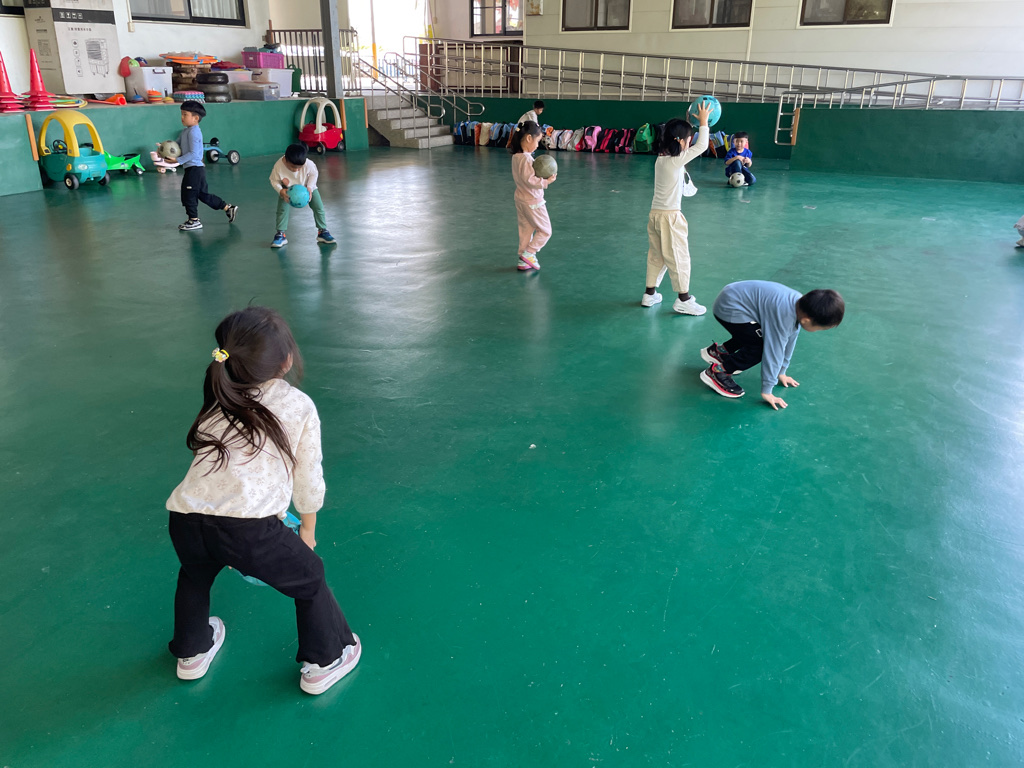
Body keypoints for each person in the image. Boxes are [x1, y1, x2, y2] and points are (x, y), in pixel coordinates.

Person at [166, 307, 361, 695]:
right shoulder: (298, 405)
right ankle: (326, 660)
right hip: (248, 529)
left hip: (186, 517)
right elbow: (308, 478)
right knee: (311, 577)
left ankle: (191, 651)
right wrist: (308, 531)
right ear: (286, 360)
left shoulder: (220, 397)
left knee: (194, 575)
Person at [699, 281, 845, 409]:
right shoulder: (784, 316)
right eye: (821, 328)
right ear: (806, 321)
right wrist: (767, 390)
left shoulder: (800, 304)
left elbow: (790, 339)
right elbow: (773, 352)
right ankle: (718, 372)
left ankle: (720, 352)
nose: (819, 331)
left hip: (734, 297)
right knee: (760, 347)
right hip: (729, 307)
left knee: (754, 334)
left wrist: (782, 372)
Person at [640, 104, 710, 314]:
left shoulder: (662, 160)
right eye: (689, 139)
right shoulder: (675, 161)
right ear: (680, 141)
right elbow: (702, 146)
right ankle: (683, 299)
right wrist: (704, 122)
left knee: (657, 256)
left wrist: (688, 122)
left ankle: (650, 294)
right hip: (670, 218)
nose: (691, 142)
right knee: (679, 257)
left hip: (655, 215)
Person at [175, 101, 238, 231]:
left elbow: (194, 153)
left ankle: (194, 220)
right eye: (181, 114)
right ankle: (227, 208)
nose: (182, 117)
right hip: (192, 169)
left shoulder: (194, 132)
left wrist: (177, 161)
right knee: (202, 194)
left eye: (185, 114)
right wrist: (164, 149)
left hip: (195, 169)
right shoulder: (185, 131)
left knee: (189, 194)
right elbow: (176, 146)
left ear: (196, 118)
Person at [269, 143, 337, 248]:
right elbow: (274, 180)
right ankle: (281, 234)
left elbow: (314, 173)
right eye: (293, 167)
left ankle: (322, 231)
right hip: (287, 189)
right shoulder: (279, 166)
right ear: (286, 160)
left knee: (318, 207)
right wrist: (281, 190)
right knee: (282, 210)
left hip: (307, 187)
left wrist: (310, 187)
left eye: (300, 168)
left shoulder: (308, 164)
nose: (297, 170)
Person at [510, 120, 556, 271]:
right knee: (545, 230)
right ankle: (529, 253)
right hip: (533, 201)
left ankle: (523, 259)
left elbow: (524, 178)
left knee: (526, 230)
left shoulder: (516, 157)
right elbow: (530, 180)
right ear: (529, 138)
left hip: (521, 199)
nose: (537, 145)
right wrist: (546, 181)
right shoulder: (526, 159)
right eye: (537, 141)